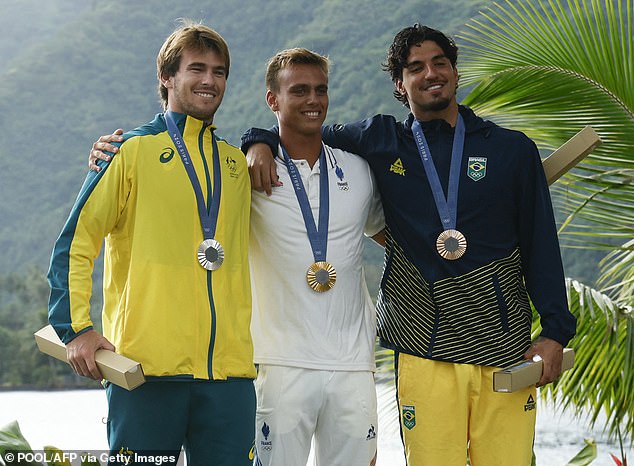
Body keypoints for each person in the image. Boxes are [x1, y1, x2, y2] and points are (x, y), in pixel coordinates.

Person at [240, 25, 577, 466]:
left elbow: (541, 245)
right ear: (400, 83)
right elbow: (304, 127)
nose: (430, 74)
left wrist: (554, 331)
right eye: (415, 67)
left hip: (504, 348)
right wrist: (258, 140)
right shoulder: (380, 141)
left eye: (440, 63)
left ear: (456, 72)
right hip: (425, 350)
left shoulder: (512, 150)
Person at [88, 48, 385, 466]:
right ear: (272, 100)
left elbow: (394, 233)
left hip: (354, 362)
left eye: (320, 90)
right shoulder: (246, 172)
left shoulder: (358, 170)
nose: (312, 100)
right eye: (299, 90)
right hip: (276, 364)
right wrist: (259, 141)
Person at [47, 21, 256, 465]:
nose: (209, 80)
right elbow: (76, 242)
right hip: (144, 374)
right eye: (196, 68)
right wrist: (76, 328)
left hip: (230, 378)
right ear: (166, 77)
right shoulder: (128, 152)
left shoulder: (236, 165)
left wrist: (266, 141)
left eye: (219, 72)